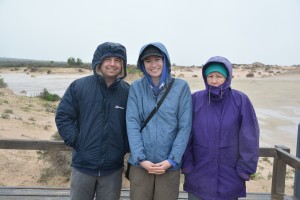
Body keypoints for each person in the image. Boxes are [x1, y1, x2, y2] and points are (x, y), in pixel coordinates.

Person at [55, 42, 130, 200]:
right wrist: (77, 141)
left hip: (113, 169)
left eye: (117, 60)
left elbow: (133, 124)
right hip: (82, 166)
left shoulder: (127, 92)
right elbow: (63, 116)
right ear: (99, 62)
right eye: (107, 59)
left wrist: (123, 146)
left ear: (122, 64)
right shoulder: (79, 86)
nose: (112, 64)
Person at [182, 56, 260, 200]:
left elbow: (250, 137)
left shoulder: (241, 100)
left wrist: (244, 169)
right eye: (210, 76)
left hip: (229, 177)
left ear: (228, 77)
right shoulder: (195, 99)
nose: (214, 80)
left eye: (219, 76)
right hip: (198, 177)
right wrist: (187, 164)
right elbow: (185, 134)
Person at [126, 42, 192, 200]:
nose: (153, 65)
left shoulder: (181, 87)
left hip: (168, 166)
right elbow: (132, 124)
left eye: (157, 59)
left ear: (165, 61)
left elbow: (184, 127)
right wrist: (140, 159)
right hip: (140, 166)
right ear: (142, 64)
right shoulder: (135, 87)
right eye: (148, 61)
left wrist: (172, 159)